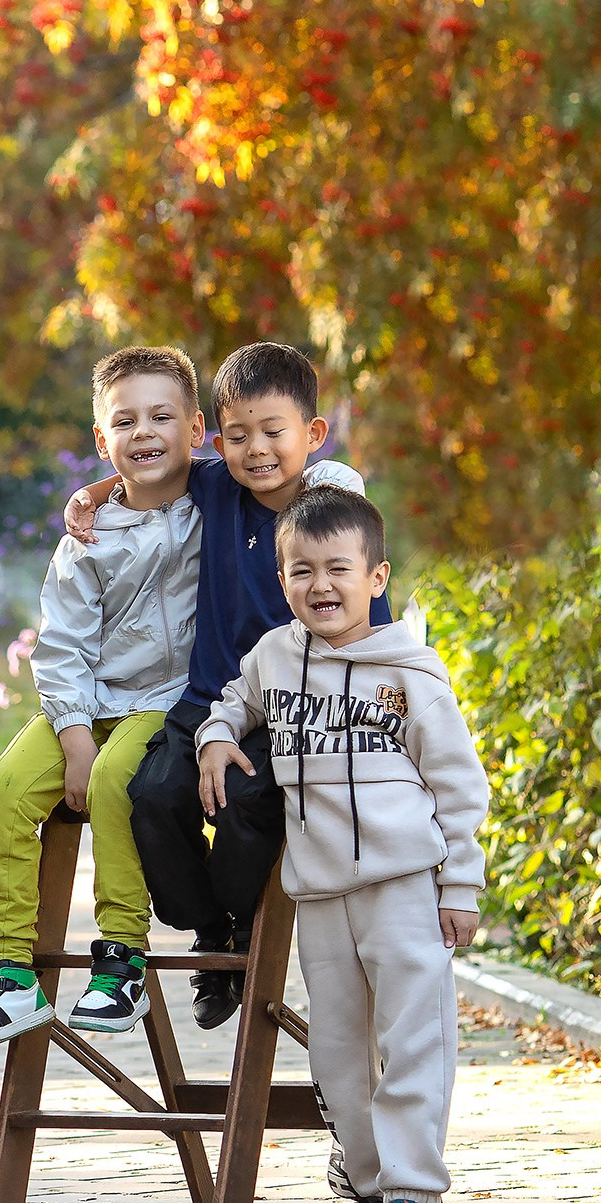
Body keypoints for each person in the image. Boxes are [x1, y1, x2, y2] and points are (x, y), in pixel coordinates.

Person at [196, 486, 485, 1203]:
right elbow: (234, 701)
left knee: (413, 1039)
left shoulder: (412, 674)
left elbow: (458, 784)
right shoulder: (274, 656)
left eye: (338, 569)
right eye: (301, 570)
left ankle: (414, 1202)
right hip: (319, 890)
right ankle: (366, 1194)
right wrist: (216, 739)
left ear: (376, 575)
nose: (321, 584)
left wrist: (461, 885)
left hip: (404, 886)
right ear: (283, 580)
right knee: (335, 1055)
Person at [63, 341, 374, 1027]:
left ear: (312, 436)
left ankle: (234, 921)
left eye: (273, 433)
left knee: (243, 801)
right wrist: (89, 492)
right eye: (237, 435)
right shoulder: (217, 488)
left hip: (292, 708)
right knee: (152, 794)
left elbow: (365, 626)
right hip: (205, 699)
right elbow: (153, 473)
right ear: (218, 436)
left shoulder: (332, 519)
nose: (255, 450)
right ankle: (209, 931)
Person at [0, 347, 205, 1055]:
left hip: (164, 697)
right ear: (103, 439)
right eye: (125, 421)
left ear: (197, 429)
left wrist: (90, 487)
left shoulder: (209, 509)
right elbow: (59, 647)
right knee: (1, 790)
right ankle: (9, 974)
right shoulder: (84, 542)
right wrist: (72, 735)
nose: (145, 432)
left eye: (162, 416)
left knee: (120, 781)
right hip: (84, 701)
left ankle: (121, 956)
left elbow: (265, 472)